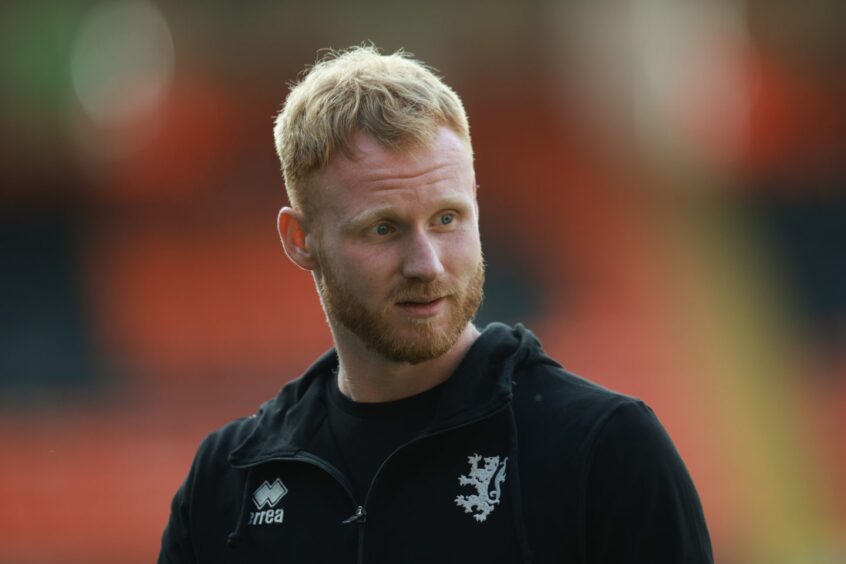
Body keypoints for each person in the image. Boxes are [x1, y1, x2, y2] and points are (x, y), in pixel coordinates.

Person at [159, 45, 713, 564]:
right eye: (383, 229)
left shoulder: (607, 452)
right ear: (300, 240)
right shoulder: (227, 484)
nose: (426, 264)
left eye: (446, 219)